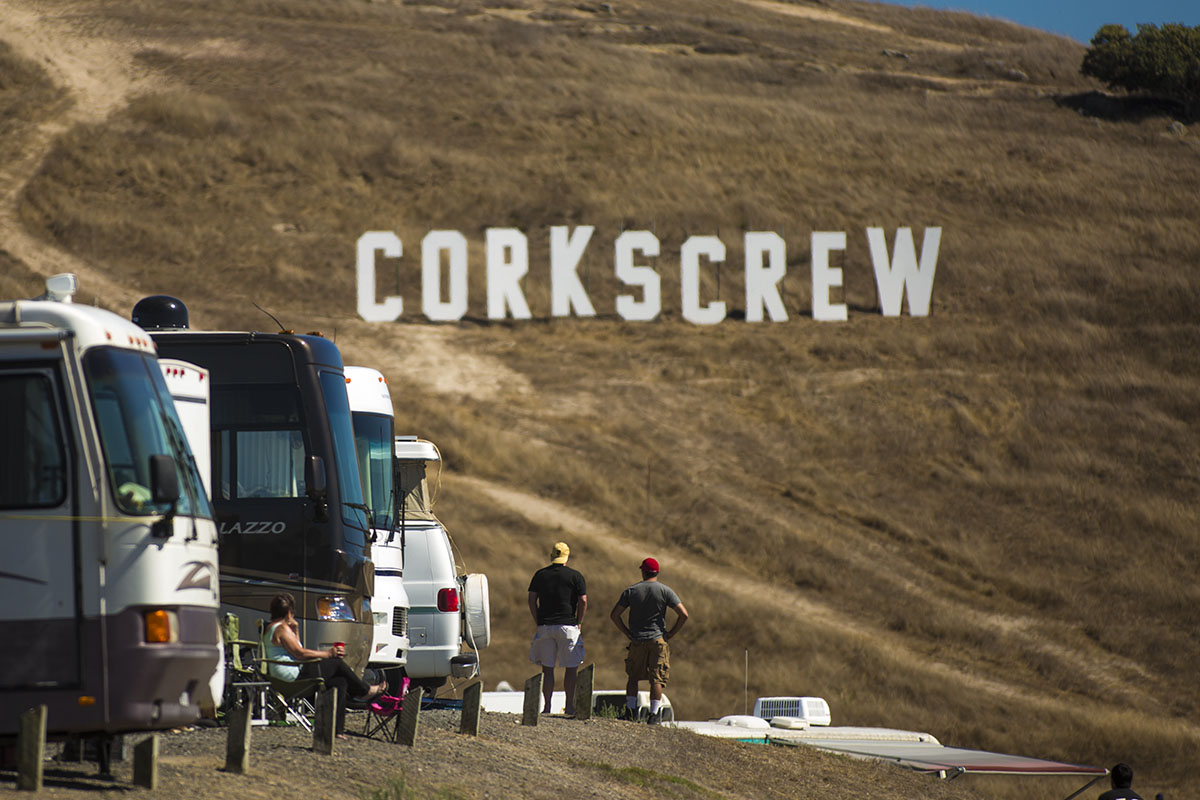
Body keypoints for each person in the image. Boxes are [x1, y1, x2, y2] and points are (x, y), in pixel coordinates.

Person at [262, 592, 385, 738]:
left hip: (288, 674)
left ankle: (336, 730)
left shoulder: (274, 627)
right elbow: (299, 654)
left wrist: (295, 629)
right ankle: (364, 690)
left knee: (339, 682)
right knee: (336, 663)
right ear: (289, 612)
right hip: (291, 677)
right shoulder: (281, 629)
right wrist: (327, 654)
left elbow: (296, 648)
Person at [609, 557, 688, 725]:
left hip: (637, 640)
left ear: (643, 572)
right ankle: (653, 715)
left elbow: (614, 615)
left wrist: (627, 633)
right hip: (658, 640)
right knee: (657, 679)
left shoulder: (632, 591)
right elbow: (683, 614)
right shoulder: (666, 591)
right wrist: (671, 633)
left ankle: (631, 712)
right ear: (657, 572)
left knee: (633, 677)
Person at [527, 541, 588, 716]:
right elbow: (583, 600)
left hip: (545, 626)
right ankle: (569, 706)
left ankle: (547, 707)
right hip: (568, 625)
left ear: (552, 556)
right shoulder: (576, 576)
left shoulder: (540, 575)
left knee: (547, 669)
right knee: (571, 668)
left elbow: (531, 599)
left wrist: (537, 619)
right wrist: (579, 621)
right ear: (567, 557)